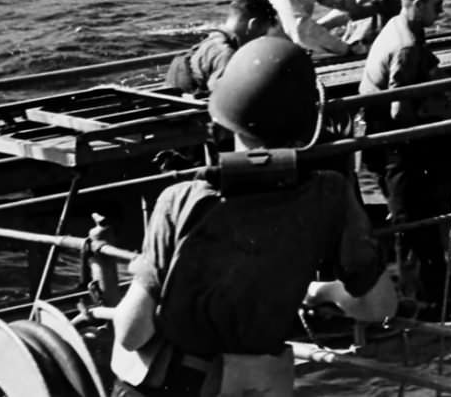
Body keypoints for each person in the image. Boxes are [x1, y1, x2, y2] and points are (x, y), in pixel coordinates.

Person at [108, 36, 394, 396]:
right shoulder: (329, 197)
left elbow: (132, 332)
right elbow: (378, 305)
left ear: (224, 118)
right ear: (307, 128)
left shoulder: (179, 199)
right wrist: (324, 291)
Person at [360, 0, 451, 310]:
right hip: (393, 144)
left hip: (379, 135)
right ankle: (420, 301)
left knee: (414, 220)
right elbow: (399, 110)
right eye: (436, 6)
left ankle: (424, 292)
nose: (440, 13)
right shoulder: (406, 45)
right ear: (416, 4)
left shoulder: (399, 25)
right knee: (413, 221)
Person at [165, 0, 278, 98]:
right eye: (262, 34)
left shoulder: (213, 37)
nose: (261, 39)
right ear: (252, 25)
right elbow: (221, 98)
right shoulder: (226, 54)